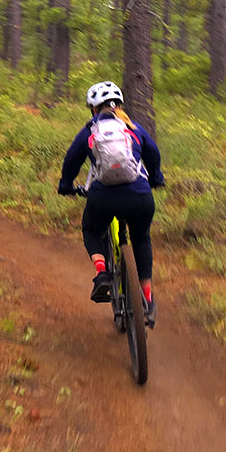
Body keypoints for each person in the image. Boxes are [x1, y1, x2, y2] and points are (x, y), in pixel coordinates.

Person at [57, 80, 164, 323]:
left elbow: (71, 161)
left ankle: (102, 273)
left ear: (94, 109)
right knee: (141, 238)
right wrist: (156, 179)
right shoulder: (133, 127)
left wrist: (66, 186)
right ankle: (146, 298)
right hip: (139, 196)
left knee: (91, 229)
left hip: (103, 198)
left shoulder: (89, 131)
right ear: (120, 106)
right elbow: (153, 153)